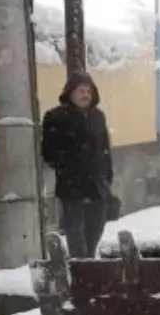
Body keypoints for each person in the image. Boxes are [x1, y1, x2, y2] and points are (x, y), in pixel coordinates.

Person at [41, 71, 114, 259]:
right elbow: (48, 152)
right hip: (71, 186)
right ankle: (80, 269)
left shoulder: (98, 117)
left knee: (96, 227)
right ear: (70, 93)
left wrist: (107, 174)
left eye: (89, 91)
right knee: (75, 232)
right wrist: (67, 166)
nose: (86, 95)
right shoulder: (56, 117)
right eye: (81, 90)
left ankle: (88, 264)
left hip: (96, 185)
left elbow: (104, 147)